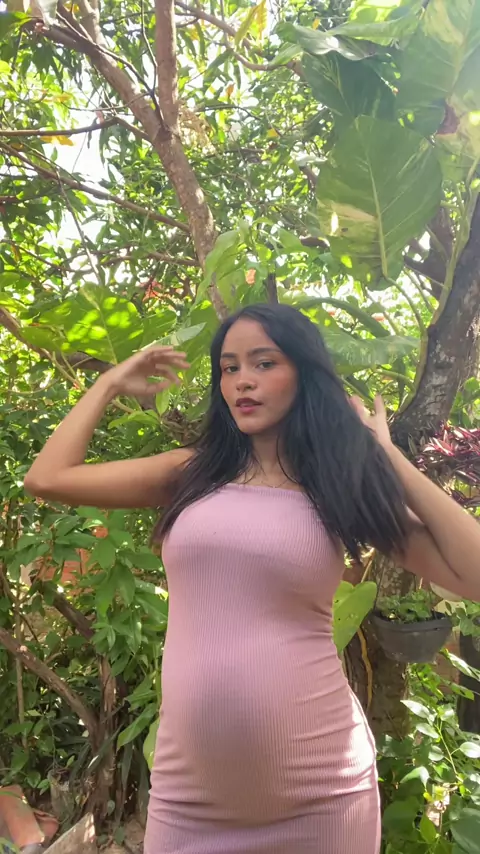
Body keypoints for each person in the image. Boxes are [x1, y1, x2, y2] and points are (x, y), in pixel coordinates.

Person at [25, 303, 480, 854]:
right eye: (230, 367)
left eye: (264, 363)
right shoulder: (190, 472)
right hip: (189, 799)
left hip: (321, 795)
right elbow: (48, 478)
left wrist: (384, 455)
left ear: (305, 374)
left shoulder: (337, 490)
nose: (242, 380)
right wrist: (109, 384)